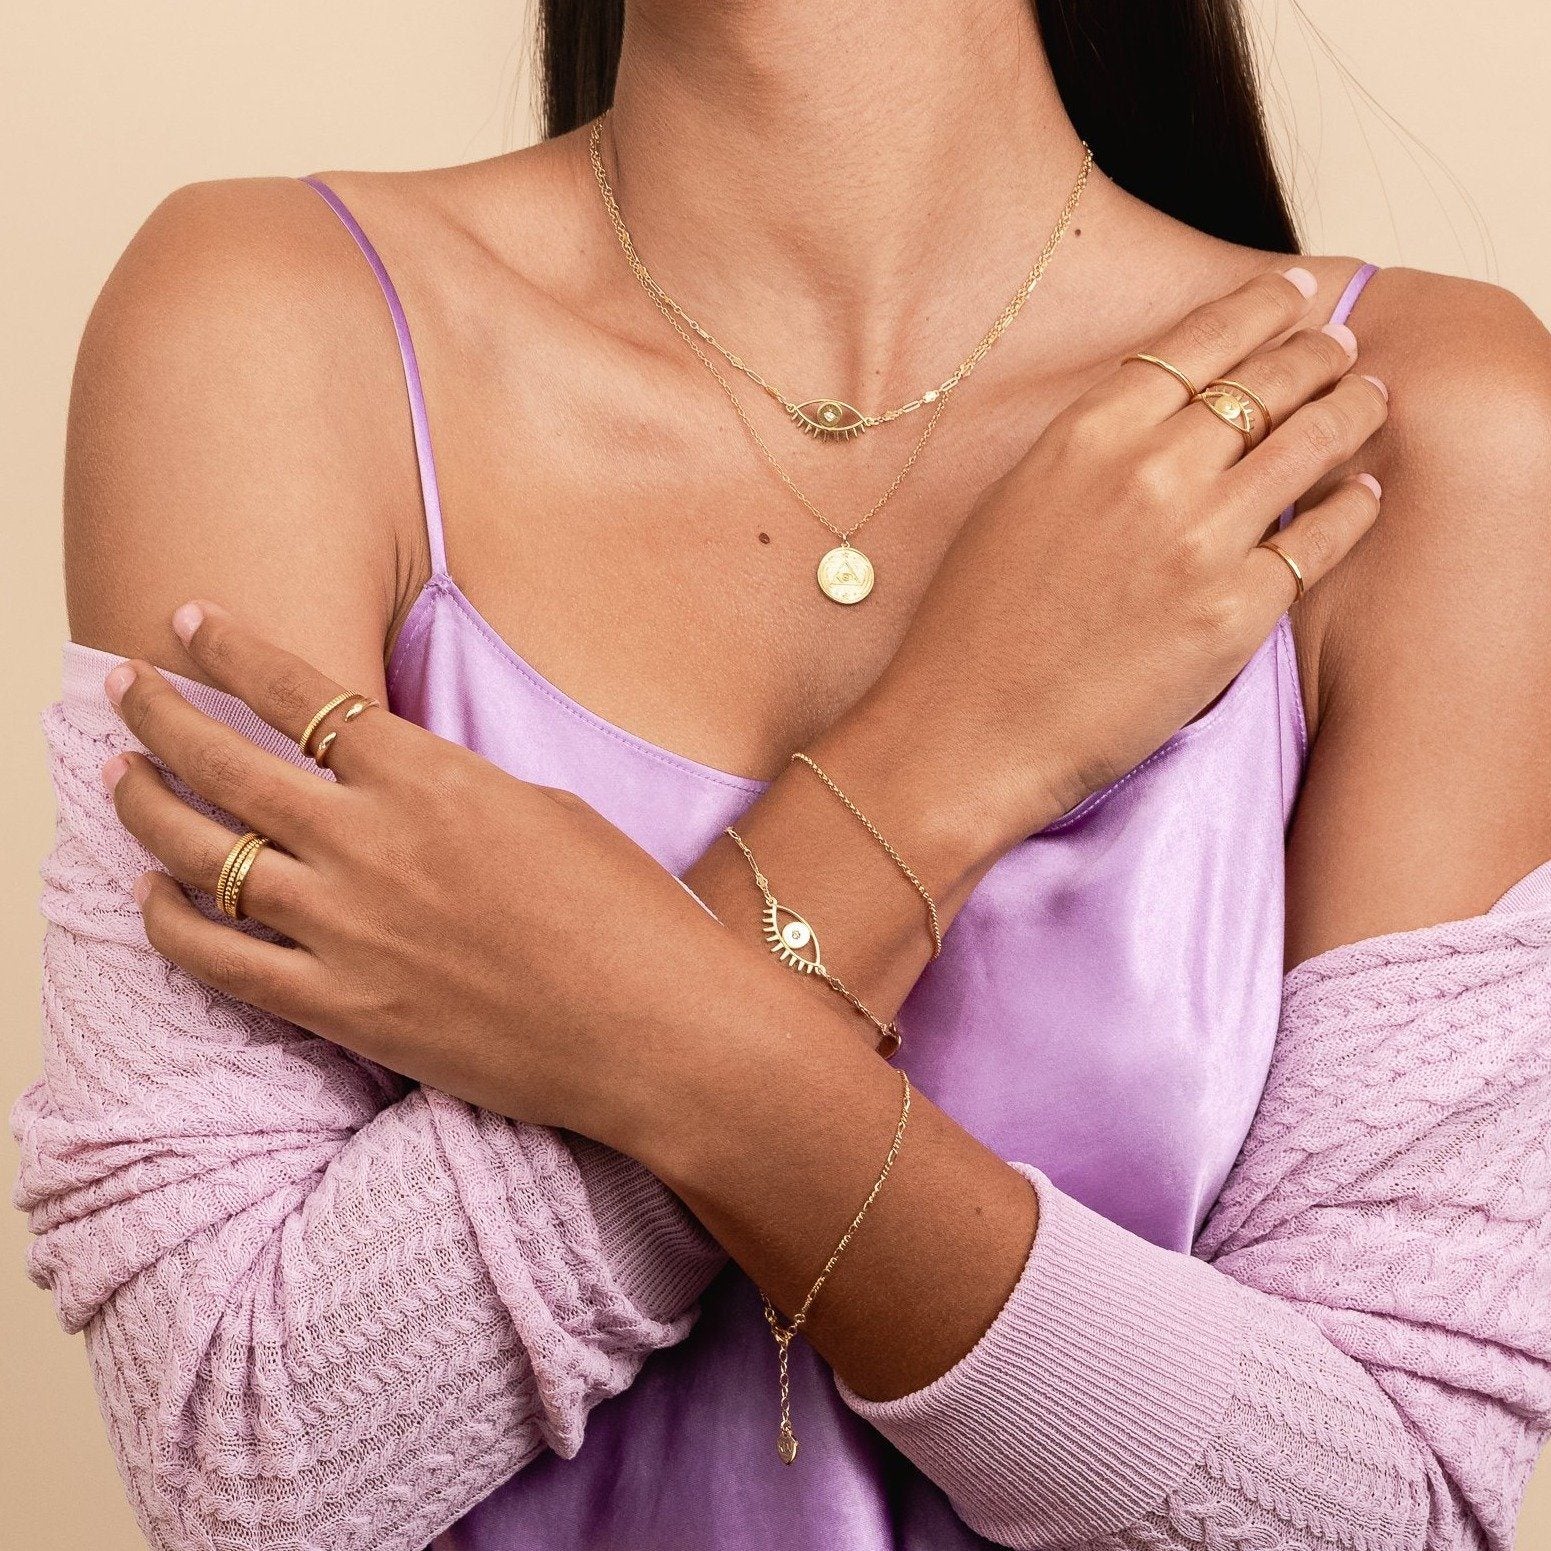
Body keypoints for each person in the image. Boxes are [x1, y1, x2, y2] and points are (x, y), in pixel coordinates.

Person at [14, 3, 1551, 1549]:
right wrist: (945, 762)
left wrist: (647, 1031)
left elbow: (1384, 1515)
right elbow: (247, 1463)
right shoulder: (270, 328)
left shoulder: (1394, 428)